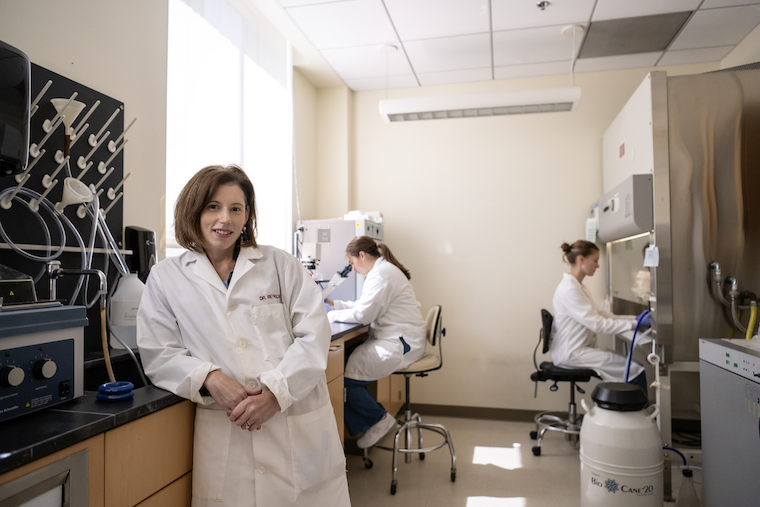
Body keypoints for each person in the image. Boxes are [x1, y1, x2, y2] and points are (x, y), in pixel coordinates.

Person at [136, 165, 350, 507]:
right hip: (227, 427)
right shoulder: (166, 277)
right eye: (213, 207)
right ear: (194, 210)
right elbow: (158, 352)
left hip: (294, 421)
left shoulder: (279, 264)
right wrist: (210, 377)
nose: (226, 218)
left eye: (237, 209)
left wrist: (276, 394)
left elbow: (313, 335)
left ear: (248, 215)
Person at [326, 236, 426, 448]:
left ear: (362, 255)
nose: (353, 269)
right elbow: (365, 305)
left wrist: (328, 316)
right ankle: (370, 422)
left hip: (400, 343)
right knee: (342, 369)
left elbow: (364, 315)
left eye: (352, 263)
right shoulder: (382, 271)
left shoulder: (381, 274)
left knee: (341, 376)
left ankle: (378, 420)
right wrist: (334, 304)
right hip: (399, 338)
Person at [550, 240, 650, 394]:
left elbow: (602, 315)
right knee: (634, 369)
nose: (597, 265)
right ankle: (634, 416)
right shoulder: (570, 290)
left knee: (632, 365)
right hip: (572, 353)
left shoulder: (579, 286)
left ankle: (626, 414)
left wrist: (634, 319)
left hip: (580, 349)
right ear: (581, 259)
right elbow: (598, 324)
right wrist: (635, 323)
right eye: (595, 260)